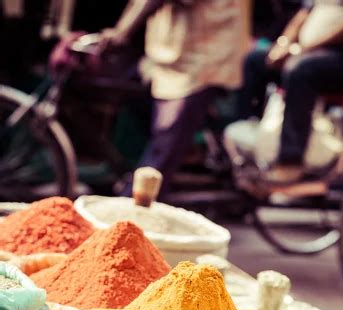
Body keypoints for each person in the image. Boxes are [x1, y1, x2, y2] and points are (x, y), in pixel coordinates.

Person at [98, 0, 249, 200]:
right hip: (170, 54)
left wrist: (121, 31)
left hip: (202, 57)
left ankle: (131, 214)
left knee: (165, 143)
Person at [239, 0, 343, 184]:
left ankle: (291, 161)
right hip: (311, 52)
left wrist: (305, 50)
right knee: (255, 62)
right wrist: (283, 46)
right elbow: (304, 13)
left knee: (301, 70)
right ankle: (246, 141)